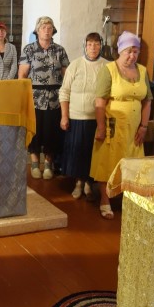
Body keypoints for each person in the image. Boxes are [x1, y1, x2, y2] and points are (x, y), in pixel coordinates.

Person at [89, 31, 151, 219]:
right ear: (120, 51)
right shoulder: (109, 70)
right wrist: (101, 127)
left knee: (133, 163)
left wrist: (144, 126)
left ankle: (129, 200)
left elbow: (147, 101)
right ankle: (105, 200)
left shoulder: (142, 71)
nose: (132, 56)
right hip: (112, 126)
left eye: (135, 52)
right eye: (128, 52)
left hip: (134, 128)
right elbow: (100, 101)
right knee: (108, 161)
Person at [18, 16, 70, 180]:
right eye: (43, 28)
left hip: (55, 98)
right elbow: (22, 75)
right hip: (34, 97)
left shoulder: (59, 50)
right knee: (35, 131)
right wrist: (23, 97)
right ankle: (34, 164)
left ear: (53, 30)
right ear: (37, 31)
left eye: (49, 28)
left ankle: (48, 164)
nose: (46, 31)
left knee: (51, 132)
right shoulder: (29, 50)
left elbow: (66, 75)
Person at [59, 32, 107, 200]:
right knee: (77, 152)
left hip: (97, 119)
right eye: (89, 44)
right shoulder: (75, 65)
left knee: (92, 153)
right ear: (85, 46)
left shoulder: (107, 66)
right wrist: (64, 116)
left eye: (96, 44)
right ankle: (78, 183)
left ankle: (88, 183)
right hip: (76, 117)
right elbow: (64, 91)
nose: (93, 48)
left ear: (101, 46)